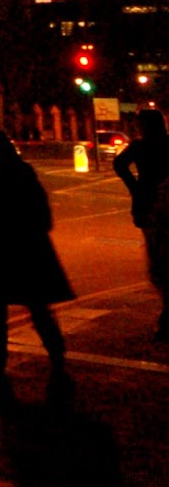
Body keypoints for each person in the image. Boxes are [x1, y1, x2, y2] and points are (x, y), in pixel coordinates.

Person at [0, 129, 74, 406]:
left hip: (4, 248)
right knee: (38, 307)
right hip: (32, 247)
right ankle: (57, 357)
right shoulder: (26, 173)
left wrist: (5, 223)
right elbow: (44, 213)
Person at [112, 108, 169, 340]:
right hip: (161, 203)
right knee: (162, 259)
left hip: (149, 204)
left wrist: (134, 186)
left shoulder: (140, 146)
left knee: (158, 262)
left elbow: (119, 164)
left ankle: (167, 315)